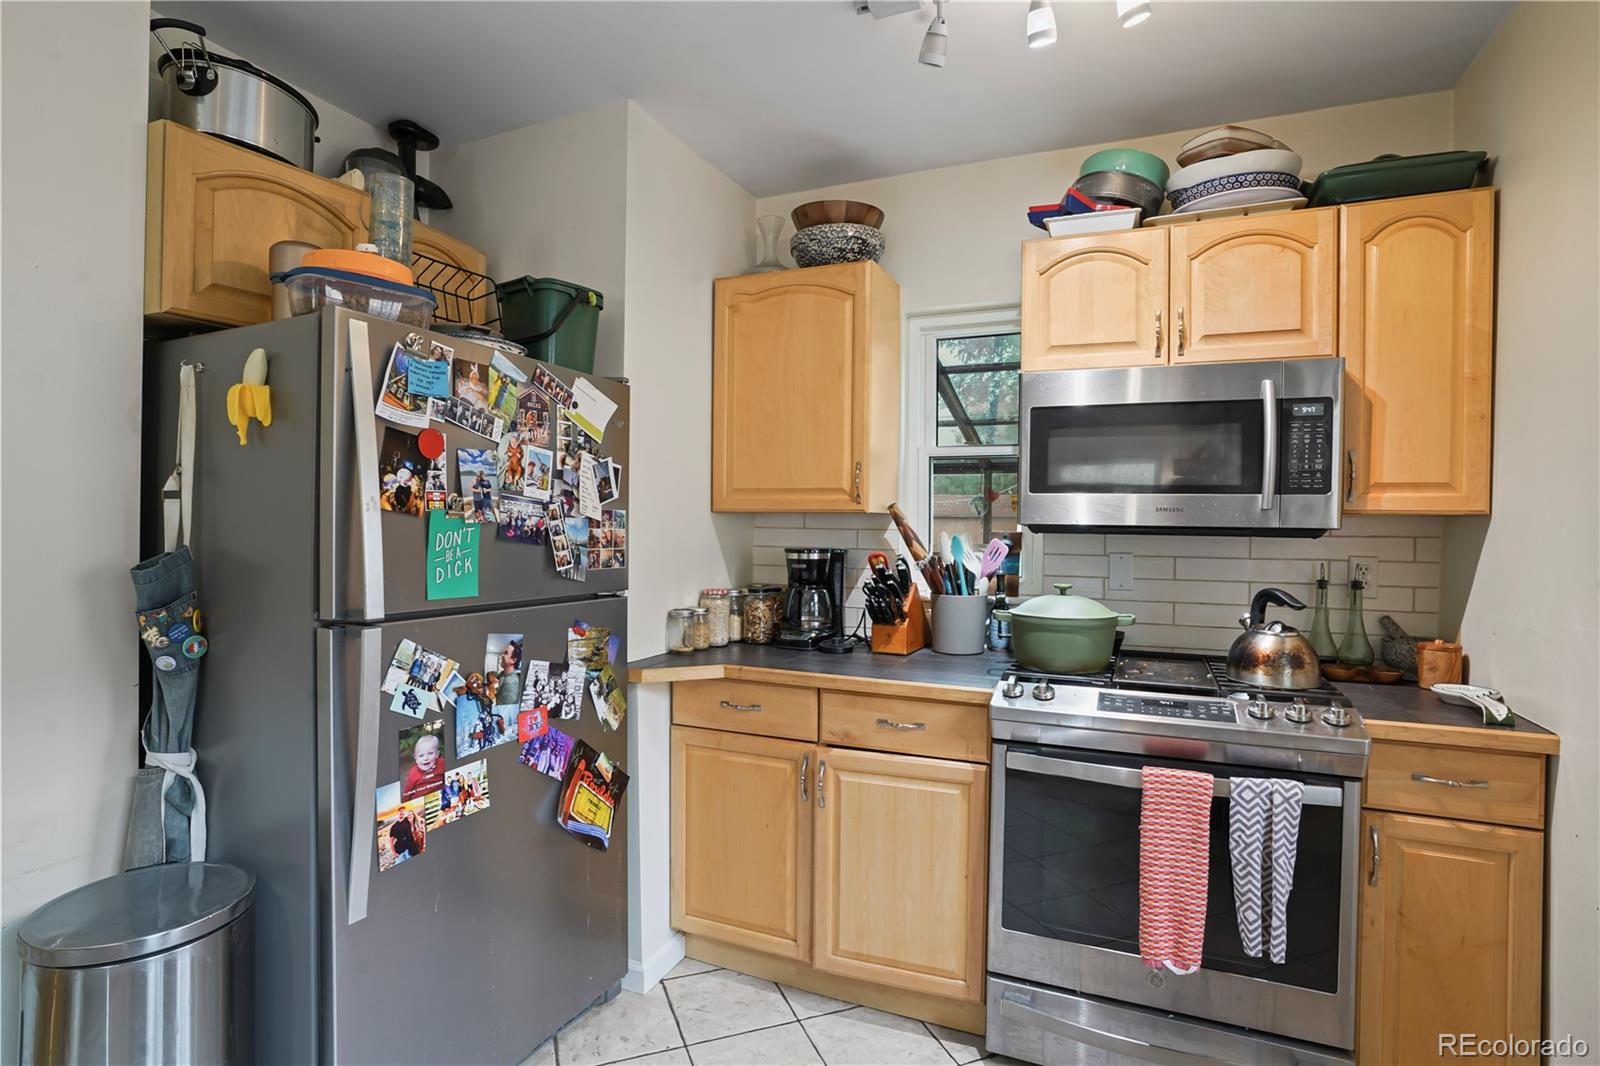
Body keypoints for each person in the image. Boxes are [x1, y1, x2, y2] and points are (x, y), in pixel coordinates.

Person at [401, 732, 443, 800]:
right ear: (416, 758)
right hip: (420, 802)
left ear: (437, 754)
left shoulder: (441, 763)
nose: (426, 758)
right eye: (421, 755)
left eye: (430, 753)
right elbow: (407, 792)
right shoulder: (414, 773)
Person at [496, 640, 523, 707]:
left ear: (513, 660)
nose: (502, 655)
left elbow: (503, 712)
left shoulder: (510, 683)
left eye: (506, 653)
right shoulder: (503, 674)